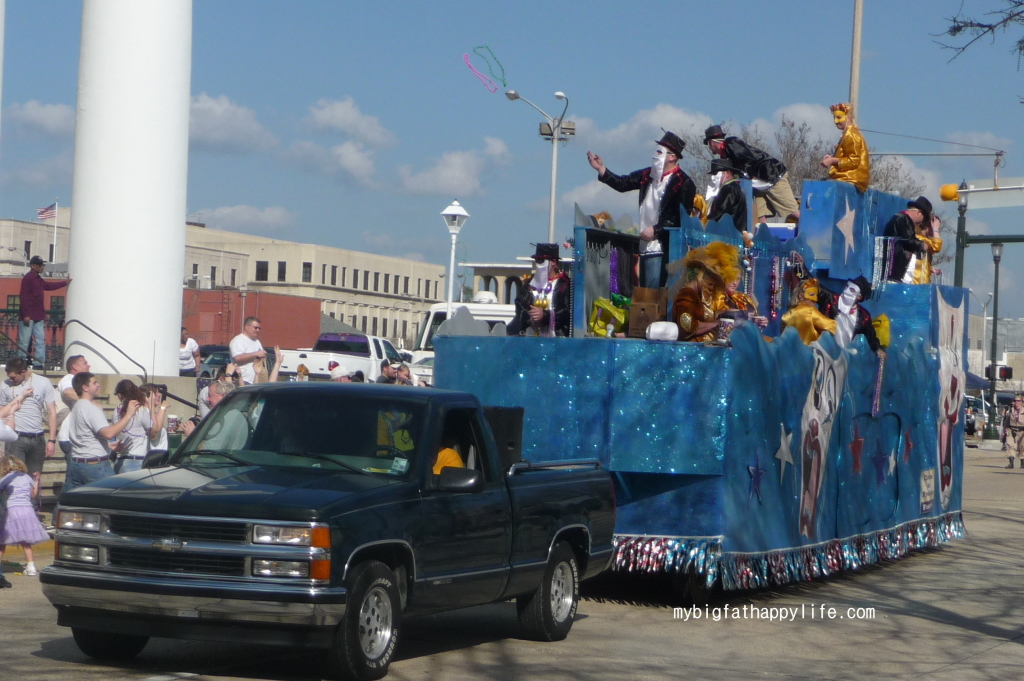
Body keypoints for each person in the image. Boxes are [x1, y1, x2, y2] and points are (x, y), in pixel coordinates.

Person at [587, 131, 696, 288]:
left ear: (672, 157)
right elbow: (623, 183)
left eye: (660, 152)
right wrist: (601, 169)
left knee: (653, 293)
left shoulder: (683, 183)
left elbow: (680, 218)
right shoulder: (647, 175)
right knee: (644, 291)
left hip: (662, 246)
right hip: (644, 245)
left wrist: (656, 229)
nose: (655, 155)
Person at [704, 125, 800, 224]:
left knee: (792, 212)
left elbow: (748, 158)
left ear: (711, 142)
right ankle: (764, 238)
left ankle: (813, 230)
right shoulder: (725, 154)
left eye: (709, 144)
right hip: (759, 185)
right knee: (759, 215)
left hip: (772, 176)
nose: (710, 149)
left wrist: (748, 175)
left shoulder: (730, 144)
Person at [63, 372, 139, 494]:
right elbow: (108, 434)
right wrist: (129, 414)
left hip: (77, 464)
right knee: (111, 499)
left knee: (80, 506)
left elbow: (84, 436)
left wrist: (108, 446)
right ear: (85, 387)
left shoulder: (77, 406)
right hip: (94, 465)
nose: (98, 385)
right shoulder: (91, 408)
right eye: (94, 382)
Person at [0, 357, 59, 477]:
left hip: (37, 438)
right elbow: (1, 414)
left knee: (34, 478)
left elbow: (52, 411)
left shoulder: (43, 382)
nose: (11, 380)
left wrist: (52, 440)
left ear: (23, 371)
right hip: (16, 437)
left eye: (13, 377)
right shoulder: (5, 385)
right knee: (13, 477)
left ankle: (34, 497)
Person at [0, 456, 50, 580]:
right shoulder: (26, 477)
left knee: (2, 541)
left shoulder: (6, 478)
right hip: (27, 510)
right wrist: (37, 481)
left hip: (13, 509)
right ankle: (31, 566)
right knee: (26, 541)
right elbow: (33, 495)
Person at [673, 242, 735, 342]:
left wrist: (725, 313)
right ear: (701, 276)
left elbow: (704, 316)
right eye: (710, 284)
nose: (711, 289)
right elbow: (687, 328)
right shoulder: (687, 296)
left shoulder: (695, 296)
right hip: (690, 350)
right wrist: (717, 323)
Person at [508, 243, 571, 337]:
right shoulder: (529, 283)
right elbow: (519, 304)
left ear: (553, 261)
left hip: (556, 342)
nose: (537, 264)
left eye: (541, 260)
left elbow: (567, 312)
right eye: (536, 260)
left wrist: (545, 316)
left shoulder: (565, 284)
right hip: (531, 339)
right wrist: (530, 317)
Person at [18, 255, 70, 369]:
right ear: (33, 266)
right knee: (24, 341)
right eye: (39, 265)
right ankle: (21, 363)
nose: (42, 267)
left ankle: (39, 363)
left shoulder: (38, 279)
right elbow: (24, 297)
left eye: (42, 265)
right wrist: (26, 314)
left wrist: (64, 283)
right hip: (28, 316)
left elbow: (49, 286)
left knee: (40, 340)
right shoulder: (28, 278)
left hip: (39, 315)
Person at [817, 276, 883, 356]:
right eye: (846, 286)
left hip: (843, 354)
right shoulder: (831, 299)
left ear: (859, 296)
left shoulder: (863, 316)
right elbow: (814, 286)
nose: (846, 290)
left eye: (852, 290)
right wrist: (800, 267)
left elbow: (871, 335)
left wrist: (877, 349)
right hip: (822, 345)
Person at [111, 380, 164, 474]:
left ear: (120, 395)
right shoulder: (141, 410)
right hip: (136, 462)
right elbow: (155, 431)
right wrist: (151, 405)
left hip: (120, 461)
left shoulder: (117, 411)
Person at [821, 102, 870, 192]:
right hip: (848, 178)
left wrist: (833, 161)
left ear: (849, 118)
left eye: (839, 117)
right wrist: (833, 159)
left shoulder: (851, 134)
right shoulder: (849, 133)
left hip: (850, 178)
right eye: (834, 118)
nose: (835, 121)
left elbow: (853, 161)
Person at [183, 382, 247, 451]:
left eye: (210, 395)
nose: (207, 399)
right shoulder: (234, 414)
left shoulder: (226, 418)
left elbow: (209, 451)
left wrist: (192, 436)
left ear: (222, 396)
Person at [882, 197, 931, 283]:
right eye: (923, 219)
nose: (921, 223)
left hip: (897, 274)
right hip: (894, 273)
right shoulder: (904, 219)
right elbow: (909, 240)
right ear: (919, 213)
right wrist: (922, 245)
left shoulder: (903, 220)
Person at [781, 278, 837, 345]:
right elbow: (833, 327)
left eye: (816, 295)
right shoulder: (810, 311)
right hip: (810, 353)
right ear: (801, 296)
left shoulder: (786, 316)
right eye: (812, 294)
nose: (815, 299)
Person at [706, 159, 750, 242]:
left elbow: (721, 212)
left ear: (728, 173)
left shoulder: (729, 189)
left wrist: (705, 223)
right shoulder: (735, 188)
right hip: (734, 238)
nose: (713, 177)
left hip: (727, 239)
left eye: (716, 173)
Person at [56, 355, 90, 457]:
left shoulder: (77, 381)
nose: (89, 365)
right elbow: (68, 392)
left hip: (76, 438)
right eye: (85, 363)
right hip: (70, 439)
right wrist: (89, 401)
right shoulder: (69, 378)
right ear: (75, 367)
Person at [229, 317, 266, 385]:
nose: (257, 330)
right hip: (242, 380)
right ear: (247, 326)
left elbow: (261, 354)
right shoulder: (238, 340)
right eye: (255, 327)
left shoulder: (256, 341)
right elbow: (237, 357)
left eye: (259, 328)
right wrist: (256, 354)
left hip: (255, 380)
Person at [913, 214, 943, 284]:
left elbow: (920, 260)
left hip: (922, 281)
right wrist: (935, 229)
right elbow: (937, 247)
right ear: (929, 226)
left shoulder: (925, 239)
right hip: (916, 281)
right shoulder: (920, 238)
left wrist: (930, 268)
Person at [140, 383, 170, 453]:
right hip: (151, 457)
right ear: (146, 396)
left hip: (161, 456)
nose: (159, 395)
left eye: (159, 392)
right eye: (155, 393)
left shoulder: (154, 413)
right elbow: (156, 429)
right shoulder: (143, 412)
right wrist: (162, 408)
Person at [1002, 394, 1024, 470]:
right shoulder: (1010, 410)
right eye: (1015, 401)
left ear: (1022, 402)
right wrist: (1004, 430)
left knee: (1022, 446)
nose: (1016, 402)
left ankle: (1022, 463)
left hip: (1022, 430)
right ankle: (1011, 463)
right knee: (1010, 445)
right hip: (1011, 430)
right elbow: (1007, 421)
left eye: (1018, 401)